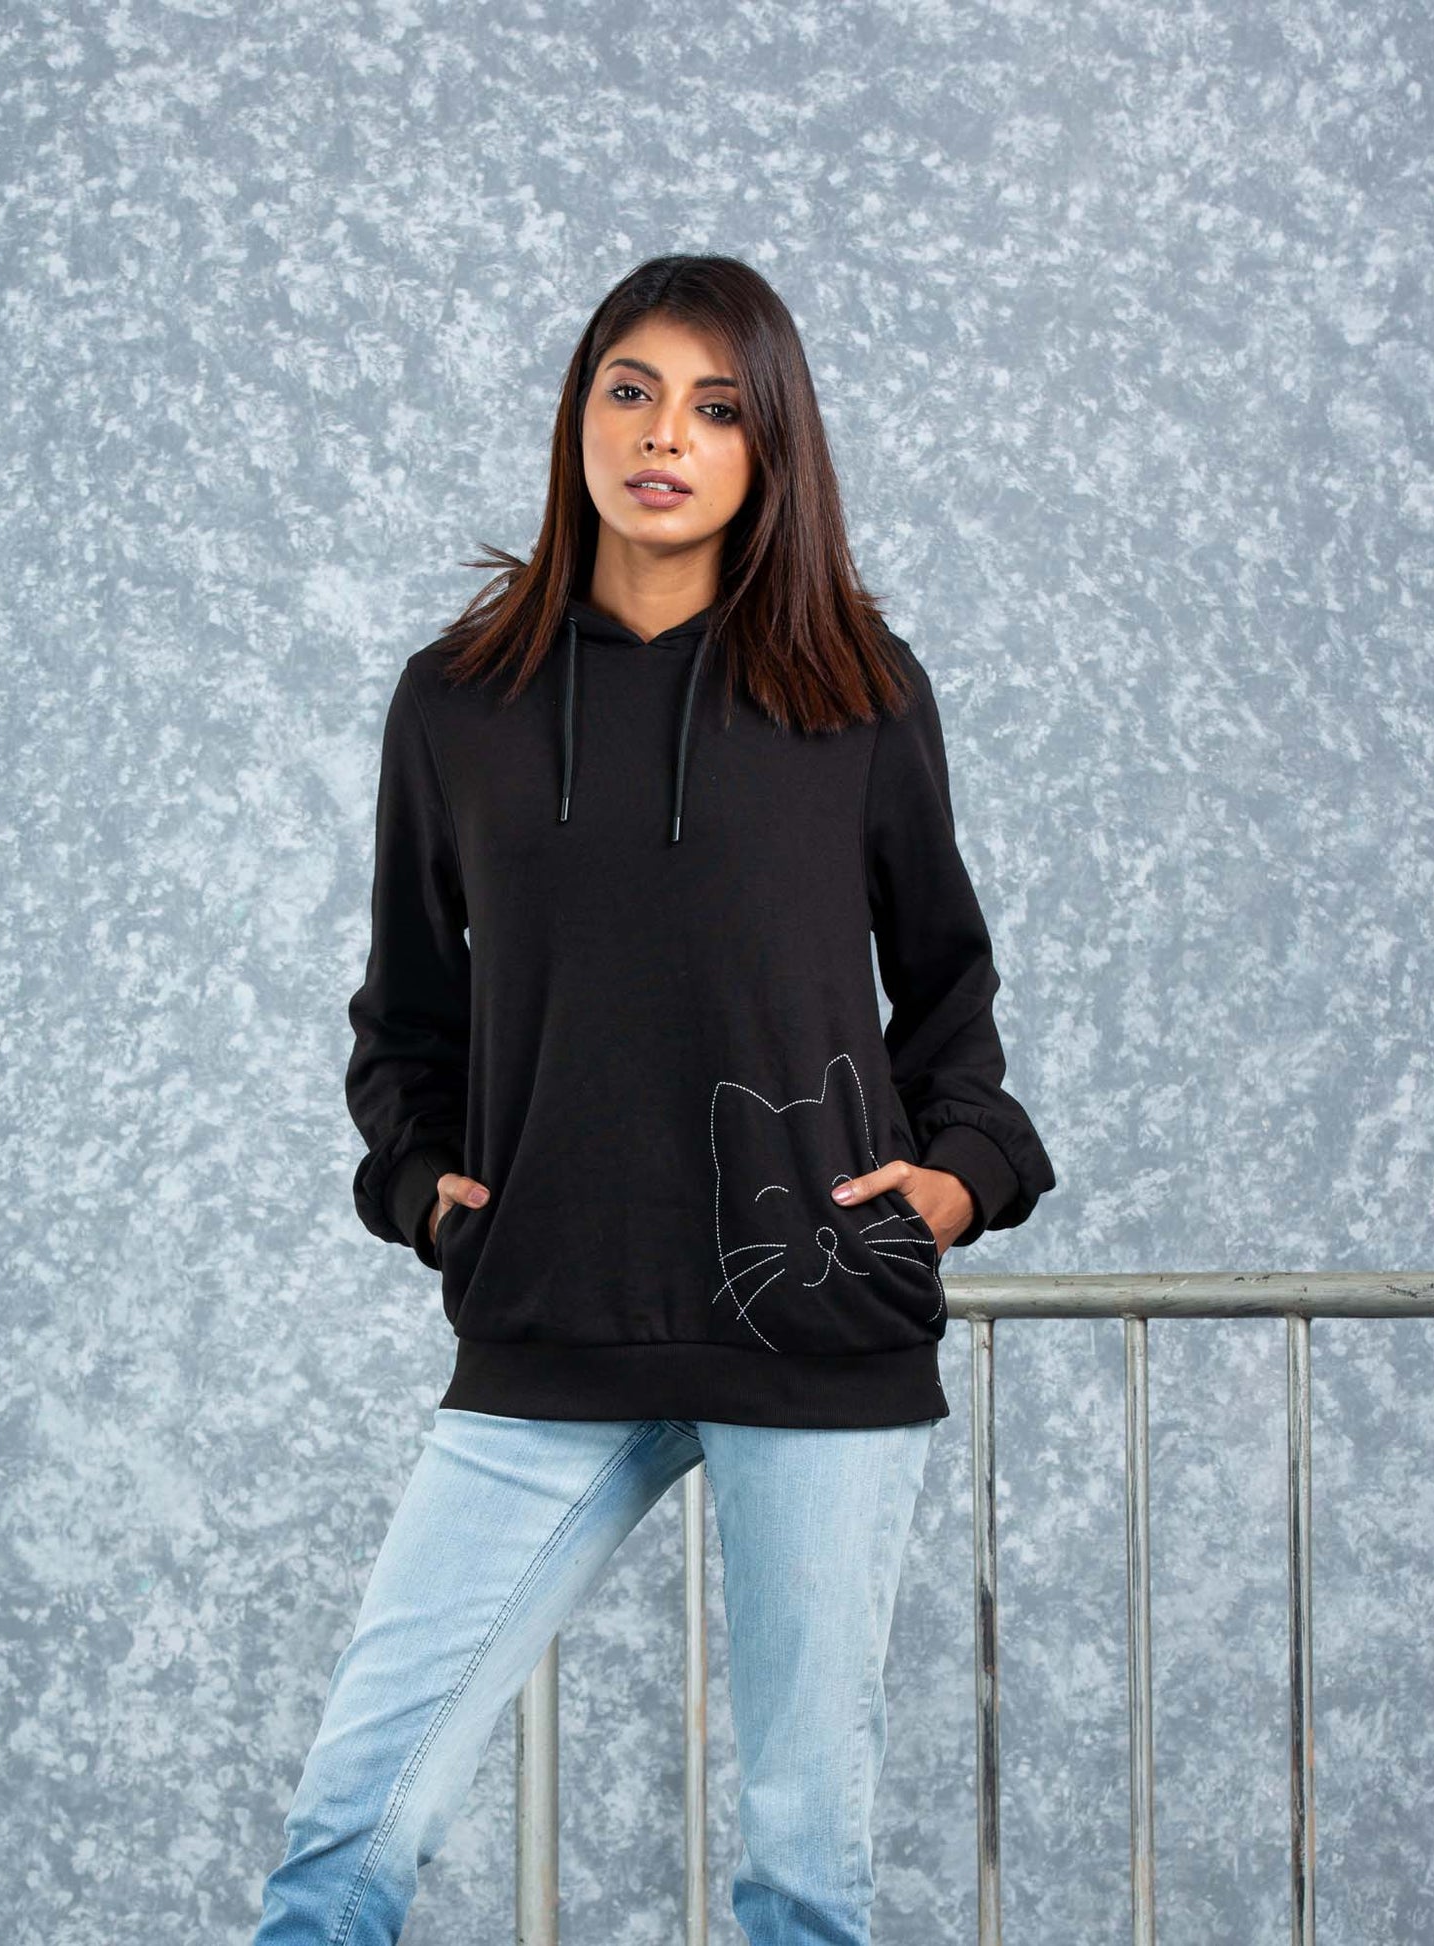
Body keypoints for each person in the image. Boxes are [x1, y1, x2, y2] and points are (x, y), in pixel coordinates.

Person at [253, 253, 1056, 1946]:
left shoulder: (857, 691)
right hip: (552, 1315)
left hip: (816, 1328)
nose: (663, 436)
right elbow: (403, 1019)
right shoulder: (458, 701)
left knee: (802, 1878)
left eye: (714, 406)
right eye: (629, 391)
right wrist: (423, 1192)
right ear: (578, 416)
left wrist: (955, 1177)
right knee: (347, 1834)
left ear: (770, 448)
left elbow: (949, 989)